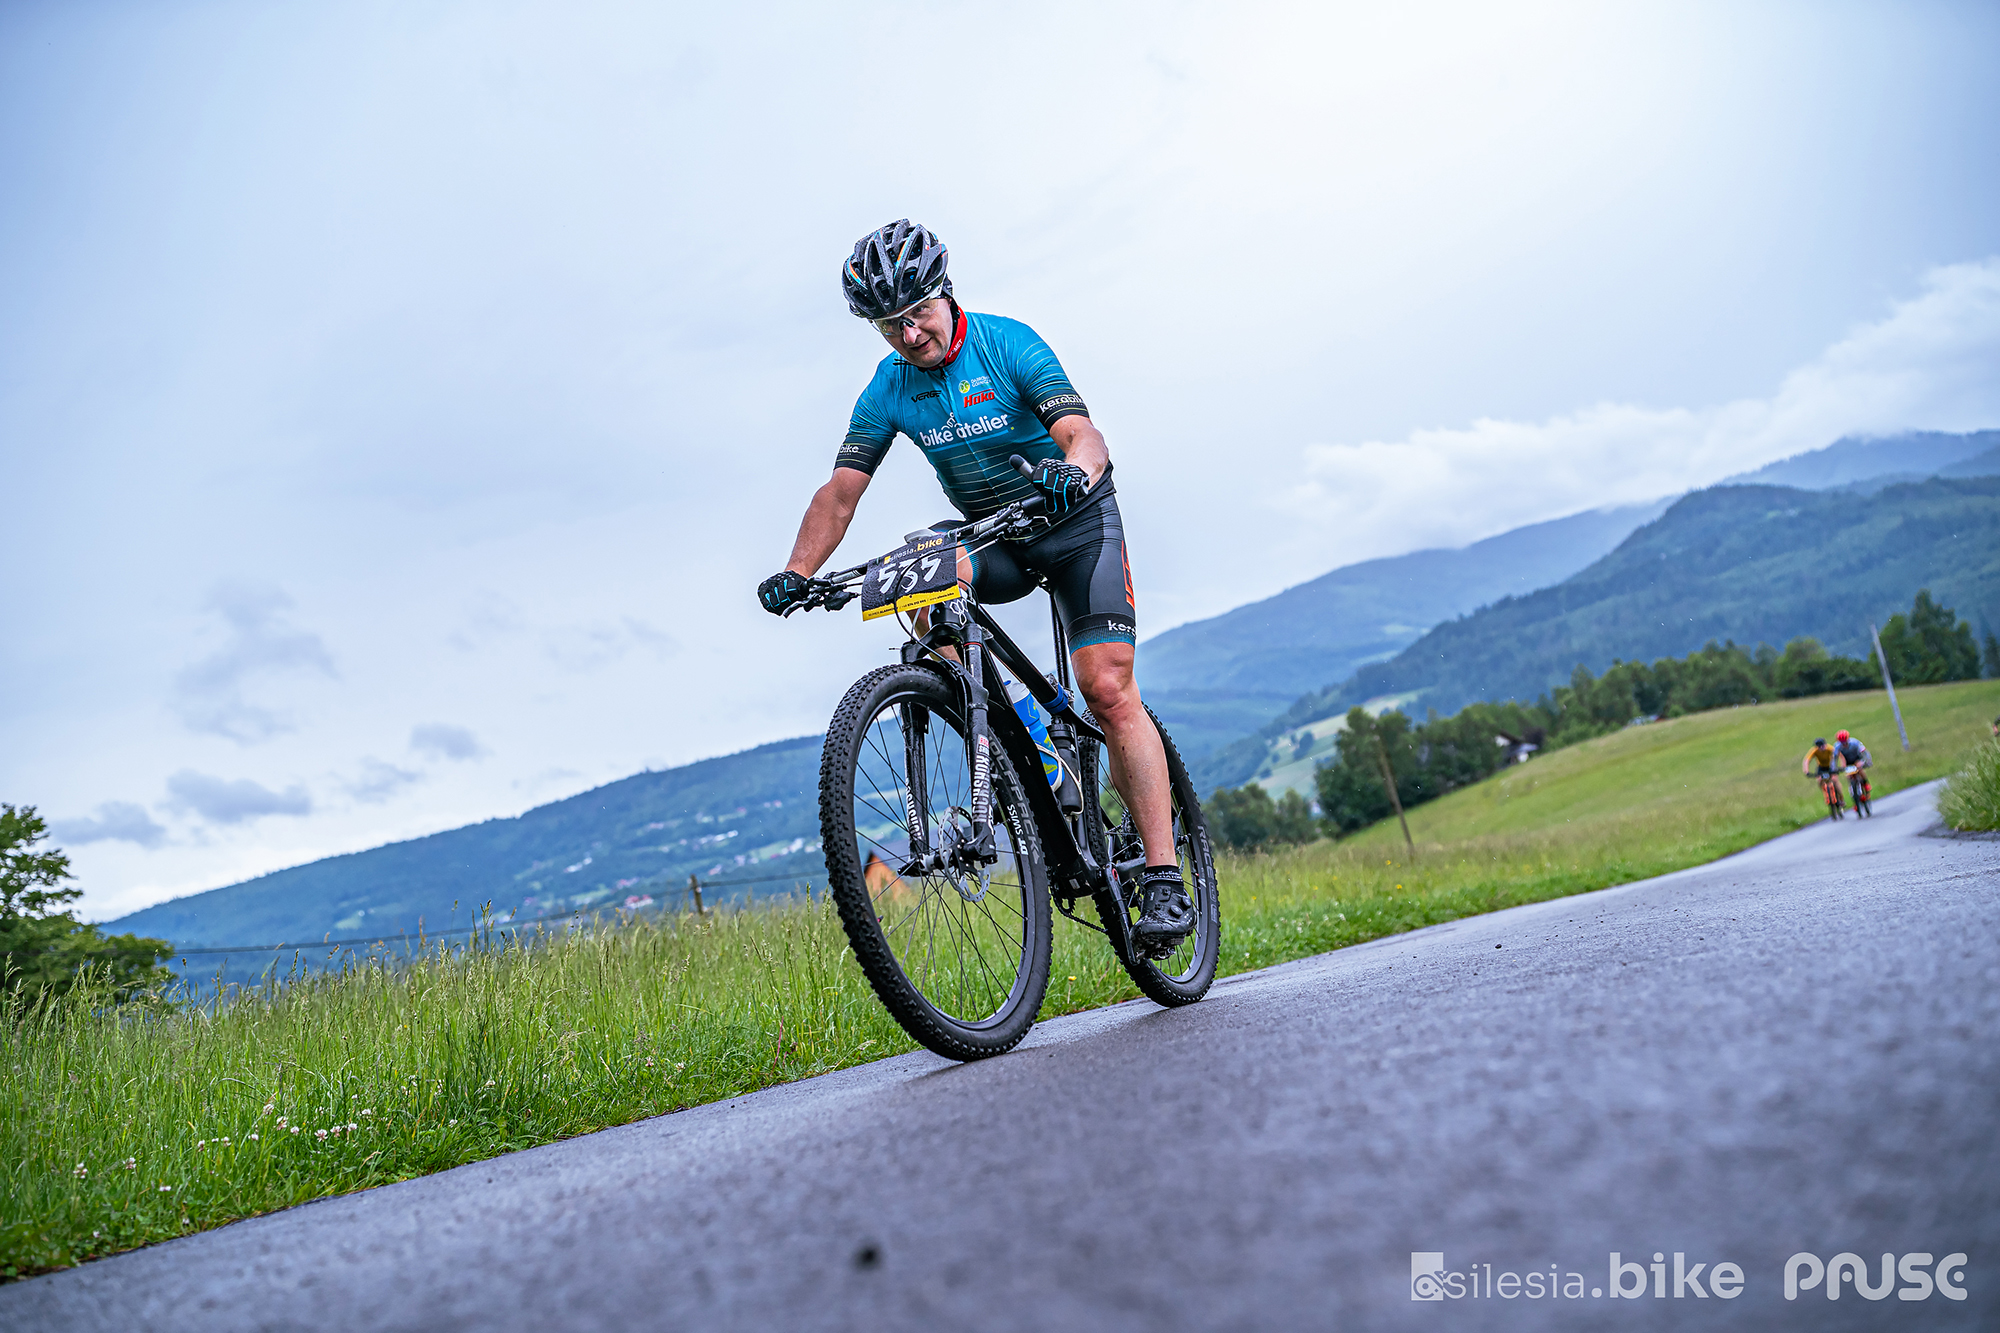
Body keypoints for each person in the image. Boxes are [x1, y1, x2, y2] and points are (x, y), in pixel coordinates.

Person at [756, 219, 1193, 951]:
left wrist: (1073, 472)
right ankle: (1030, 743)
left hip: (1075, 522)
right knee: (918, 572)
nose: (909, 334)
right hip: (996, 537)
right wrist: (798, 572)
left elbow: (1084, 435)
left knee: (1107, 689)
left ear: (946, 292)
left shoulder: (1007, 343)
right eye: (889, 325)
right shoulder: (889, 386)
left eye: (918, 312)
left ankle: (1163, 875)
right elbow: (840, 492)